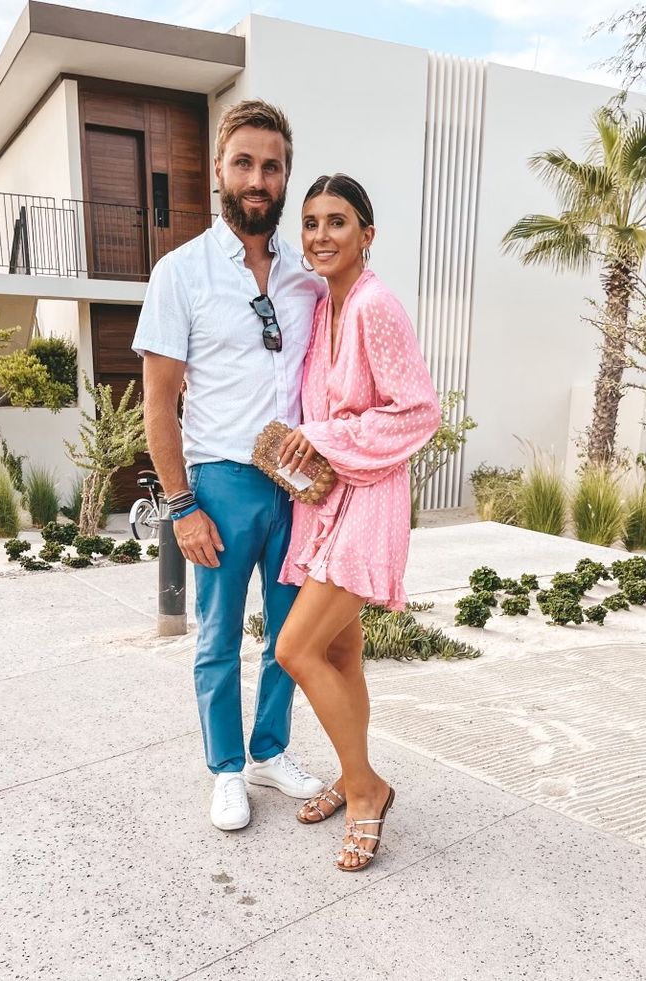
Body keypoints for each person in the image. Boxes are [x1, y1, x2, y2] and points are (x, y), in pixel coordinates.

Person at [132, 100, 325, 832]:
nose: (257, 178)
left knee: (288, 634)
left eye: (271, 166)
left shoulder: (306, 280)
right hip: (220, 482)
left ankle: (270, 750)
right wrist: (181, 504)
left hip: (296, 486)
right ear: (219, 170)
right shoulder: (180, 273)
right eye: (243, 162)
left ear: (284, 178)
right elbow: (158, 402)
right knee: (216, 639)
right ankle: (224, 768)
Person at [275, 174, 441, 871]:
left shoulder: (374, 304)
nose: (320, 236)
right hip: (327, 502)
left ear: (367, 234)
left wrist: (328, 439)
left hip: (368, 501)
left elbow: (419, 410)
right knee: (341, 653)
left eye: (337, 222)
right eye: (310, 223)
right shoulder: (325, 307)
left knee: (294, 648)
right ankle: (352, 771)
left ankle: (368, 789)